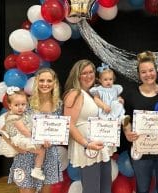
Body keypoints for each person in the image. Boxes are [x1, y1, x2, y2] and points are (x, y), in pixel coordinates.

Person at [122, 51, 158, 193]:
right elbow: (125, 117)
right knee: (142, 189)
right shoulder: (131, 94)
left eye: (151, 70)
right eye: (143, 72)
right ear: (139, 74)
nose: (148, 74)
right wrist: (127, 131)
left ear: (156, 71)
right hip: (141, 151)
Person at [8, 67, 63, 193]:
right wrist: (16, 147)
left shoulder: (59, 104)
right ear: (36, 82)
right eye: (41, 80)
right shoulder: (25, 102)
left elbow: (58, 129)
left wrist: (52, 139)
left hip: (49, 154)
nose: (45, 84)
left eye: (49, 81)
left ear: (54, 83)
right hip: (27, 153)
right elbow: (8, 126)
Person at [64, 59, 115, 193]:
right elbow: (69, 125)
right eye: (84, 73)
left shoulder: (93, 94)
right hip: (88, 148)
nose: (88, 76)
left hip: (101, 145)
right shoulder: (75, 93)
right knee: (92, 189)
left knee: (105, 188)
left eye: (91, 72)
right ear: (77, 75)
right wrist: (86, 144)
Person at [90, 62, 130, 162]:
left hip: (113, 111)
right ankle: (104, 149)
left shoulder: (115, 88)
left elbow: (117, 98)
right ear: (100, 80)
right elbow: (96, 99)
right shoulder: (98, 89)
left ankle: (122, 117)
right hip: (104, 111)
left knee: (118, 103)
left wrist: (121, 100)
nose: (108, 82)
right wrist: (103, 105)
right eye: (105, 80)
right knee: (105, 131)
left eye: (110, 79)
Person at [3, 86, 46, 181]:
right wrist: (37, 138)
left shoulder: (21, 115)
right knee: (41, 150)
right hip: (22, 139)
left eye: (23, 104)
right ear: (10, 106)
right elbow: (24, 131)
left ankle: (37, 169)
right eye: (17, 105)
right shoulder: (14, 117)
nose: (20, 107)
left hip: (24, 138)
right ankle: (37, 170)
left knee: (41, 151)